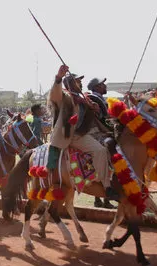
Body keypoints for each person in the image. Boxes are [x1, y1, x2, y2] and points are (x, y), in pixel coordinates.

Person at [49, 64, 116, 200]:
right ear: (70, 84)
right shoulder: (65, 96)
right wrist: (58, 78)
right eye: (78, 81)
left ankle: (108, 180)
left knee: (109, 146)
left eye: (80, 80)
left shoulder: (84, 99)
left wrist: (94, 109)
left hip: (84, 133)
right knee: (100, 151)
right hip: (70, 136)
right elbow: (54, 95)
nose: (81, 82)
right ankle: (106, 186)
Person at [86, 76, 114, 208]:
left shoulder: (100, 99)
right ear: (97, 87)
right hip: (94, 133)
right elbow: (103, 119)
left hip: (101, 131)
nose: (105, 86)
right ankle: (105, 197)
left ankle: (100, 199)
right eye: (103, 84)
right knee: (110, 150)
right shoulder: (92, 98)